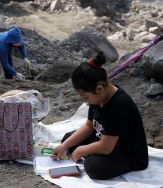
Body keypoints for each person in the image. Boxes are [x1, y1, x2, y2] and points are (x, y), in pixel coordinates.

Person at [52, 52, 148, 180]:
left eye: (86, 97)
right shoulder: (98, 98)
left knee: (94, 167)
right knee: (67, 140)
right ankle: (88, 153)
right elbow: (89, 125)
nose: (85, 101)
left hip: (126, 152)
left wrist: (81, 150)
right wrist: (64, 146)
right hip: (105, 139)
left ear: (99, 89)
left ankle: (92, 156)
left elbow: (106, 147)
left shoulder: (118, 105)